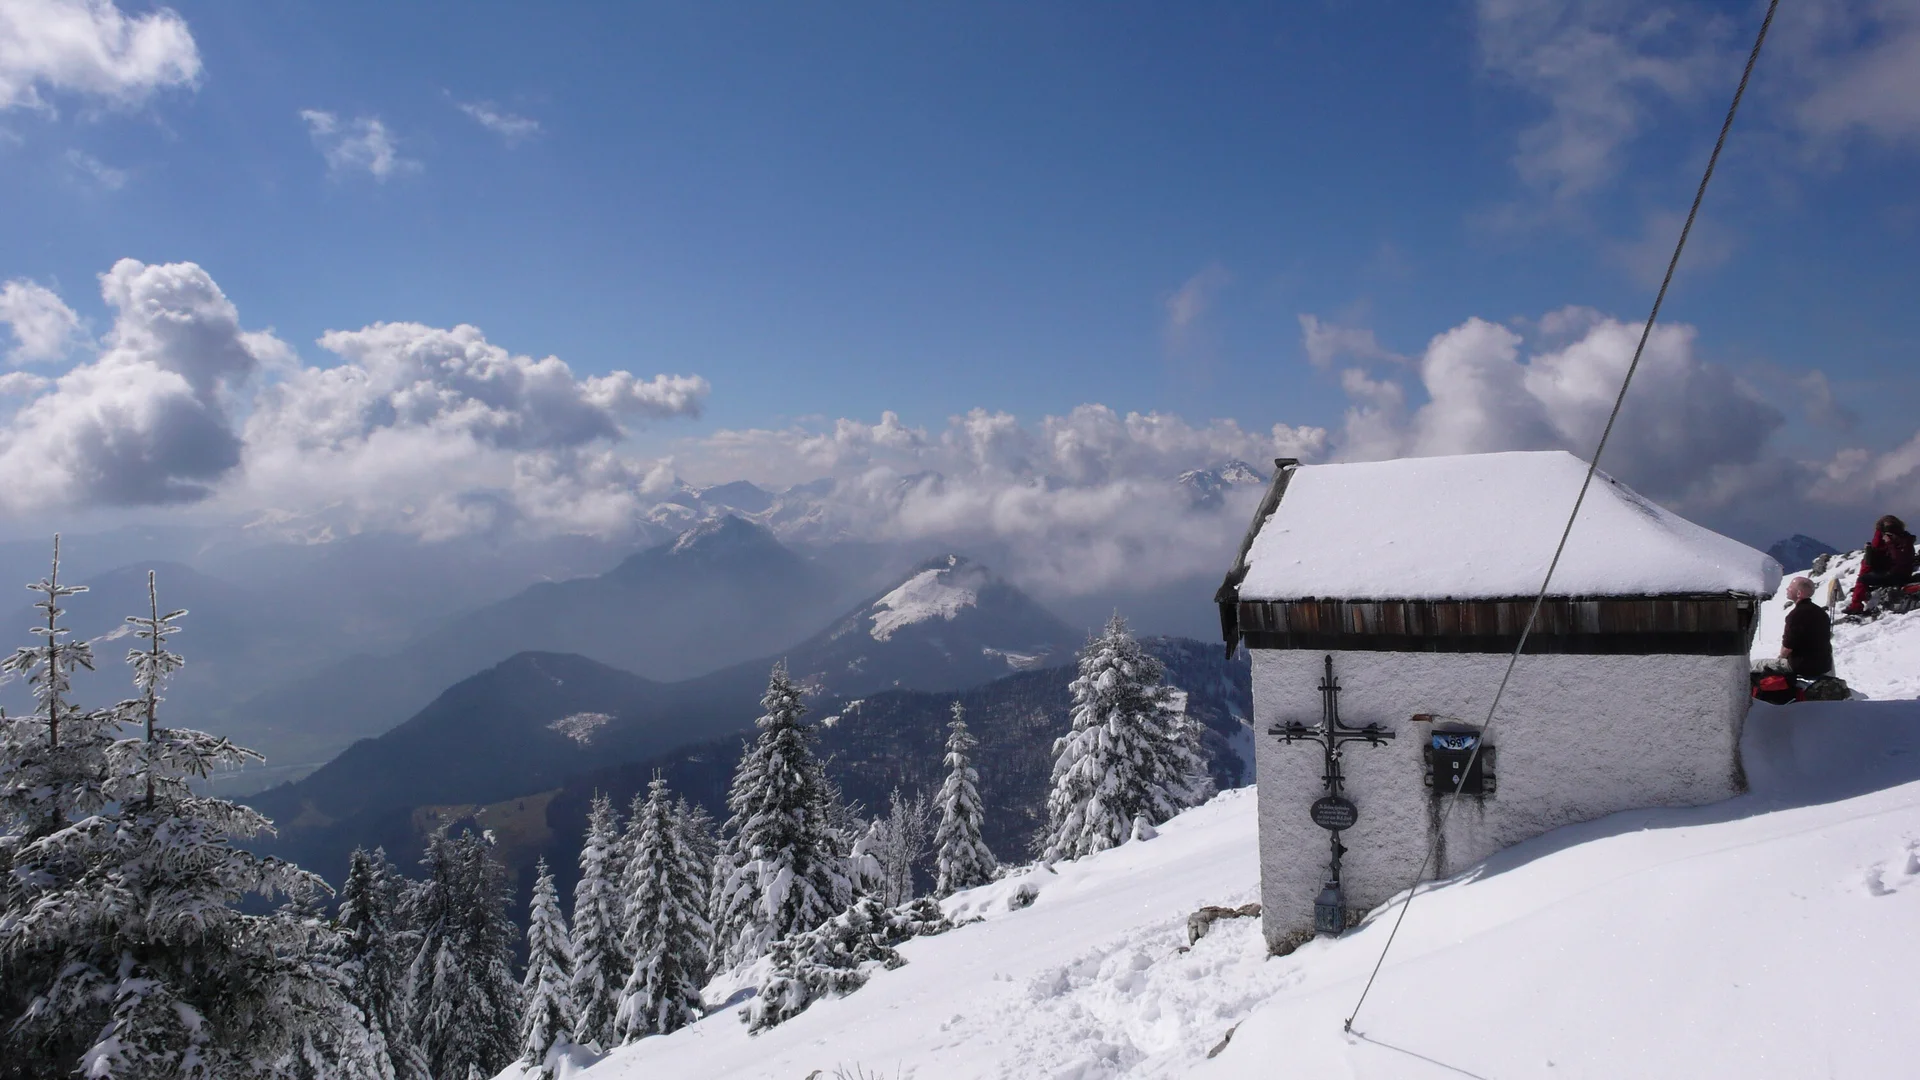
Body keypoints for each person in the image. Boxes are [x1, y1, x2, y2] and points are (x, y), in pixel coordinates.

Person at [1754, 576, 1832, 679]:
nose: (1787, 589)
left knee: (1754, 665)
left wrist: (1780, 659)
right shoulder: (1821, 613)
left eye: (1790, 587)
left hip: (1801, 666)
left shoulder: (1796, 615)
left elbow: (1787, 647)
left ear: (1799, 593)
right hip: (1824, 665)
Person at [1845, 514, 1918, 615]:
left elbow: (1899, 559)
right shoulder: (1905, 539)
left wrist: (1889, 543)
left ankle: (1856, 605)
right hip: (1900, 573)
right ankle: (1858, 600)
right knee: (1867, 569)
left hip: (1896, 575)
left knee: (1863, 578)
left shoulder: (1900, 542)